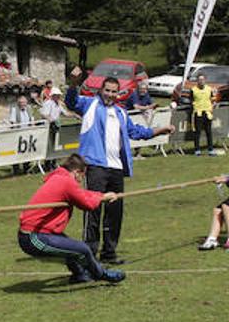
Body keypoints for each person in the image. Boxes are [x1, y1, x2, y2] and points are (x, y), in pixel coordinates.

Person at [64, 71, 175, 265]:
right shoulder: (89, 104)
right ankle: (89, 253)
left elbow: (135, 132)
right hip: (95, 166)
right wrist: (74, 82)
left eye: (114, 92)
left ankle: (109, 252)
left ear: (119, 93)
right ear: (101, 90)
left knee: (115, 213)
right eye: (107, 90)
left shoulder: (121, 112)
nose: (110, 94)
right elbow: (71, 101)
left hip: (116, 168)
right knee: (93, 211)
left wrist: (158, 130)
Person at [17, 153, 125, 283]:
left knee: (70, 247)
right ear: (76, 172)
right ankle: (102, 274)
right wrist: (102, 197)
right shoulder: (66, 182)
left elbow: (82, 194)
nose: (81, 180)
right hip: (32, 237)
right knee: (83, 249)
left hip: (42, 232)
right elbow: (88, 204)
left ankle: (80, 275)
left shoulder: (59, 177)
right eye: (82, 176)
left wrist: (101, 195)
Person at [181, 72, 220, 155]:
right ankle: (197, 150)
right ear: (197, 81)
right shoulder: (193, 90)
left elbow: (213, 99)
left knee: (209, 132)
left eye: (202, 79)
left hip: (207, 113)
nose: (201, 81)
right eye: (199, 80)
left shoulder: (209, 89)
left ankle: (210, 149)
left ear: (205, 80)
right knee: (197, 132)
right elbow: (190, 100)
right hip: (197, 113)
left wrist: (213, 105)